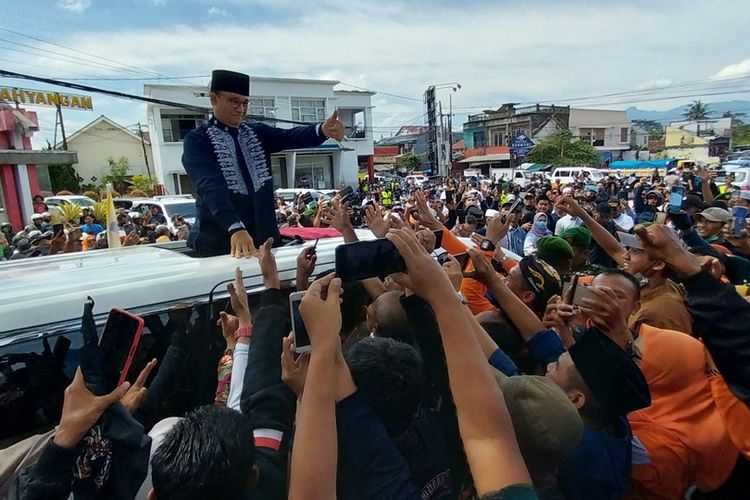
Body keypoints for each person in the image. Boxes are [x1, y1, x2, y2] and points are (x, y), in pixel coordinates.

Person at [182, 69, 345, 258]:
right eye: (234, 101)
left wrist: (323, 130)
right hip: (220, 244)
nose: (241, 108)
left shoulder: (256, 133)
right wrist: (235, 228)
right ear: (214, 99)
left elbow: (289, 137)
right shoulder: (198, 140)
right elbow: (210, 187)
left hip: (266, 242)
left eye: (245, 103)